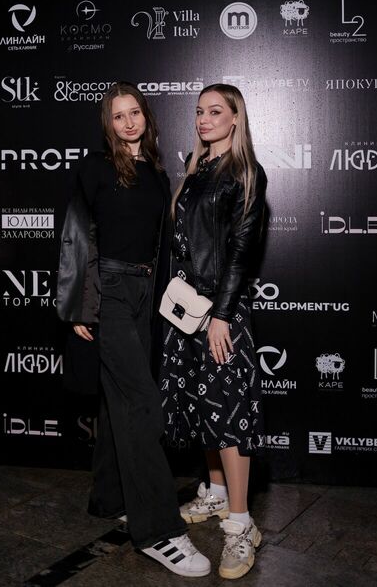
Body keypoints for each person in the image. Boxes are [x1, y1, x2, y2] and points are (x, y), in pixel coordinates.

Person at [57, 82, 210, 577]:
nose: (128, 122)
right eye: (118, 116)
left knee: (117, 398)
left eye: (135, 113)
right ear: (108, 123)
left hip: (146, 293)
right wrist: (82, 306)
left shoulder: (157, 173)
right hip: (110, 291)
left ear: (146, 116)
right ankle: (159, 530)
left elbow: (161, 243)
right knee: (141, 403)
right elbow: (77, 234)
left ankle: (110, 498)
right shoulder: (95, 168)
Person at [159, 83, 267, 580]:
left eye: (215, 111)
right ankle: (217, 493)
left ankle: (241, 525)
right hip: (188, 307)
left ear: (235, 118)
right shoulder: (197, 167)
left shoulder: (245, 172)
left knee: (229, 416)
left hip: (221, 310)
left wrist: (222, 314)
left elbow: (242, 250)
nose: (204, 119)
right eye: (199, 111)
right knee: (204, 407)